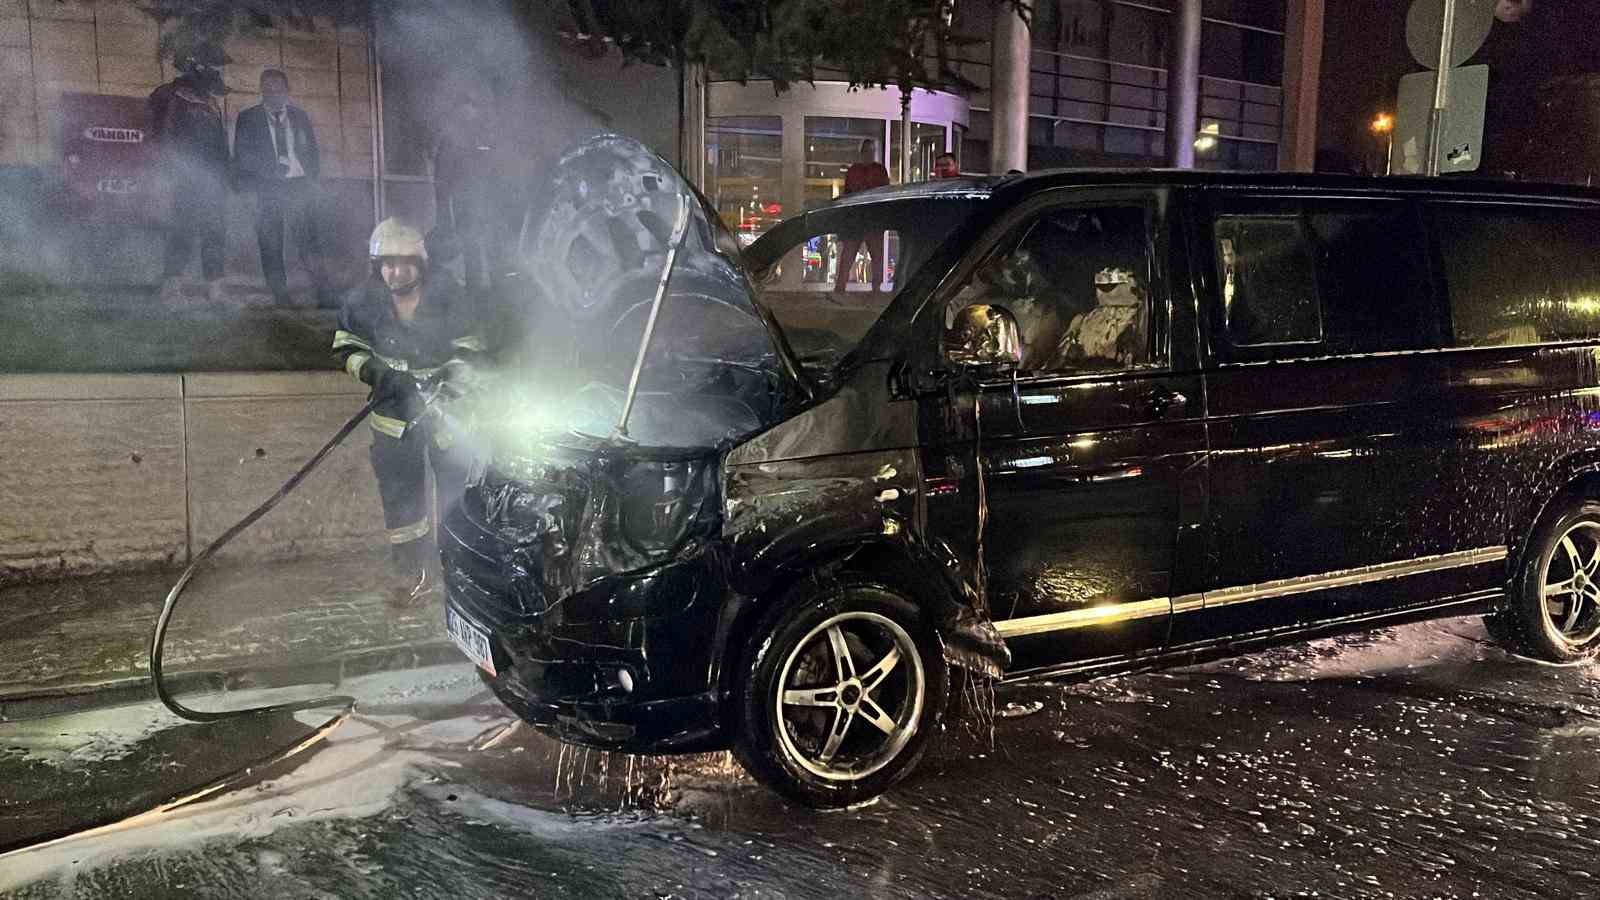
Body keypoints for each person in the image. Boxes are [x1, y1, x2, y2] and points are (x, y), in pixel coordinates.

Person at [332, 219, 486, 607]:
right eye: (387, 264)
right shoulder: (362, 302)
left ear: (421, 264)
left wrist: (453, 375)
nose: (395, 272)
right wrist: (376, 373)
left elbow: (470, 345)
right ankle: (414, 572)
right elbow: (346, 347)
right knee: (402, 498)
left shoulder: (450, 294)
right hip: (393, 415)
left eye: (405, 263)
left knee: (456, 492)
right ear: (376, 266)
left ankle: (460, 574)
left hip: (447, 410)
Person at [233, 68, 330, 306]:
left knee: (309, 240)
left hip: (298, 185)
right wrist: (263, 177)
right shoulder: (248, 118)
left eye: (278, 89)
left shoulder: (300, 117)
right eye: (268, 90)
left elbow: (311, 152)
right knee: (271, 242)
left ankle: (325, 293)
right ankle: (281, 296)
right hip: (267, 188)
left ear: (287, 91)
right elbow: (242, 156)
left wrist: (312, 181)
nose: (273, 95)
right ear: (261, 92)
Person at [150, 61, 228, 302]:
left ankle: (215, 287)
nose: (217, 73)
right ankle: (171, 286)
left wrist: (226, 174)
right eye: (212, 68)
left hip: (213, 179)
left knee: (215, 231)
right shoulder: (172, 96)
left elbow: (221, 145)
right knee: (181, 230)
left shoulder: (212, 104)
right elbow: (164, 136)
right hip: (184, 176)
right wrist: (168, 174)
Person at [433, 86, 506, 295]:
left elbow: (495, 172)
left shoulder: (482, 138)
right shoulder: (451, 142)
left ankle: (494, 289)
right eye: (466, 112)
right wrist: (444, 216)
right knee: (472, 248)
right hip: (466, 206)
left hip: (485, 206)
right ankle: (476, 291)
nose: (470, 117)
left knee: (491, 247)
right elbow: (443, 181)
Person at [833, 139, 890, 294]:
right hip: (858, 219)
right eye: (867, 151)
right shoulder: (856, 170)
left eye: (871, 151)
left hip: (870, 219)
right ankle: (840, 287)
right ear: (862, 153)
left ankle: (875, 288)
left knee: (875, 256)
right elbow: (851, 192)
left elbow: (884, 194)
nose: (869, 154)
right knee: (850, 255)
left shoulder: (876, 170)